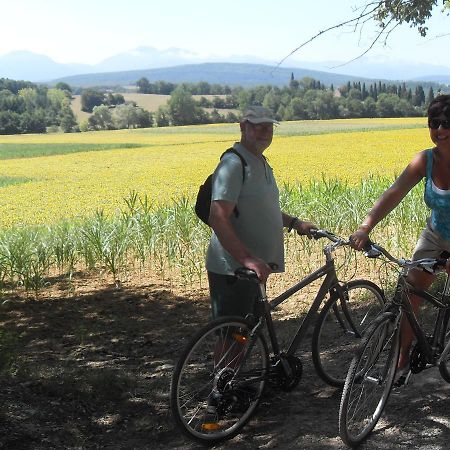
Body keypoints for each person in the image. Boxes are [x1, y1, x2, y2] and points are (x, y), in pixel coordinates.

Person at [349, 94, 450, 385]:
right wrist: (365, 227)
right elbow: (394, 193)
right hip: (435, 235)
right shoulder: (425, 160)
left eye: (447, 123)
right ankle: (402, 359)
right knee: (409, 292)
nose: (440, 130)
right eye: (434, 123)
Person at [206, 105, 317, 321]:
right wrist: (247, 259)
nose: (265, 132)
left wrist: (295, 223)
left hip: (256, 269)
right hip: (233, 269)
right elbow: (217, 217)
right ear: (242, 127)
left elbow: (262, 208)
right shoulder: (233, 163)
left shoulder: (259, 161)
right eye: (257, 127)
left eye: (269, 127)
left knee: (247, 333)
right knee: (231, 336)